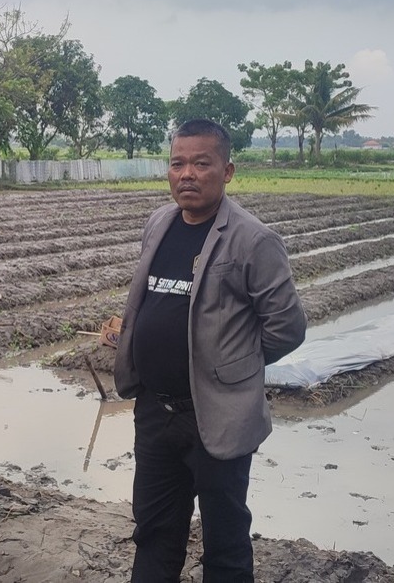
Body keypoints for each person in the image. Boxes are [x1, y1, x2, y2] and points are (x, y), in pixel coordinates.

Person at [112, 119, 307, 582]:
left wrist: (227, 369)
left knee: (225, 542)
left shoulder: (253, 240)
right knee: (155, 533)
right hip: (155, 412)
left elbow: (287, 328)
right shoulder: (160, 222)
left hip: (217, 416)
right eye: (178, 163)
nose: (188, 174)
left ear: (228, 170)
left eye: (202, 163)